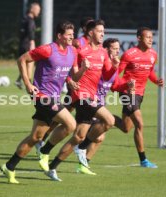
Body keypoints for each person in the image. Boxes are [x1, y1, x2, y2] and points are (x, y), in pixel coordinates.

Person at [1, 20, 88, 184]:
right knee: (70, 124)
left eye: (73, 34)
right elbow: (22, 59)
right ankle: (45, 151)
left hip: (54, 96)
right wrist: (27, 83)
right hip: (41, 96)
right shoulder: (47, 49)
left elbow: (63, 72)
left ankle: (9, 166)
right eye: (68, 35)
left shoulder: (72, 52)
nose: (72, 37)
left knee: (35, 137)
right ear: (59, 36)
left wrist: (70, 80)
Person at [40, 19, 119, 181]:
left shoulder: (103, 52)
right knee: (109, 120)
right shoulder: (79, 47)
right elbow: (71, 70)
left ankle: (51, 165)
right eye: (99, 31)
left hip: (92, 95)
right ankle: (82, 149)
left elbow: (106, 75)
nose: (103, 34)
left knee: (78, 135)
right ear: (91, 33)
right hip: (81, 95)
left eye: (104, 31)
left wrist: (115, 67)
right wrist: (72, 79)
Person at [73, 38, 132, 170]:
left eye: (118, 48)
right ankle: (77, 156)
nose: (118, 51)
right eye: (114, 48)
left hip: (100, 105)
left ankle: (84, 162)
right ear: (106, 50)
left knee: (98, 137)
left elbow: (115, 84)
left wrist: (127, 85)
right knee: (89, 136)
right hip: (89, 102)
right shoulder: (99, 64)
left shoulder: (113, 67)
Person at [115, 27, 164, 168]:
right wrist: (125, 86)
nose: (150, 39)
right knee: (140, 124)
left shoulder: (153, 54)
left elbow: (150, 73)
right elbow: (116, 75)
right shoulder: (129, 54)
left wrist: (157, 81)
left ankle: (105, 119)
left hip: (140, 94)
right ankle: (143, 160)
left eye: (151, 37)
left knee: (126, 128)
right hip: (127, 93)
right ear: (139, 38)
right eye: (147, 37)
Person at [15, 2, 41, 89]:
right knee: (30, 64)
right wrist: (32, 42)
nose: (38, 12)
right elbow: (30, 31)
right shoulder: (30, 20)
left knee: (24, 63)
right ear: (32, 9)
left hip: (22, 44)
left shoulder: (24, 19)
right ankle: (29, 85)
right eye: (37, 10)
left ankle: (19, 80)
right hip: (27, 45)